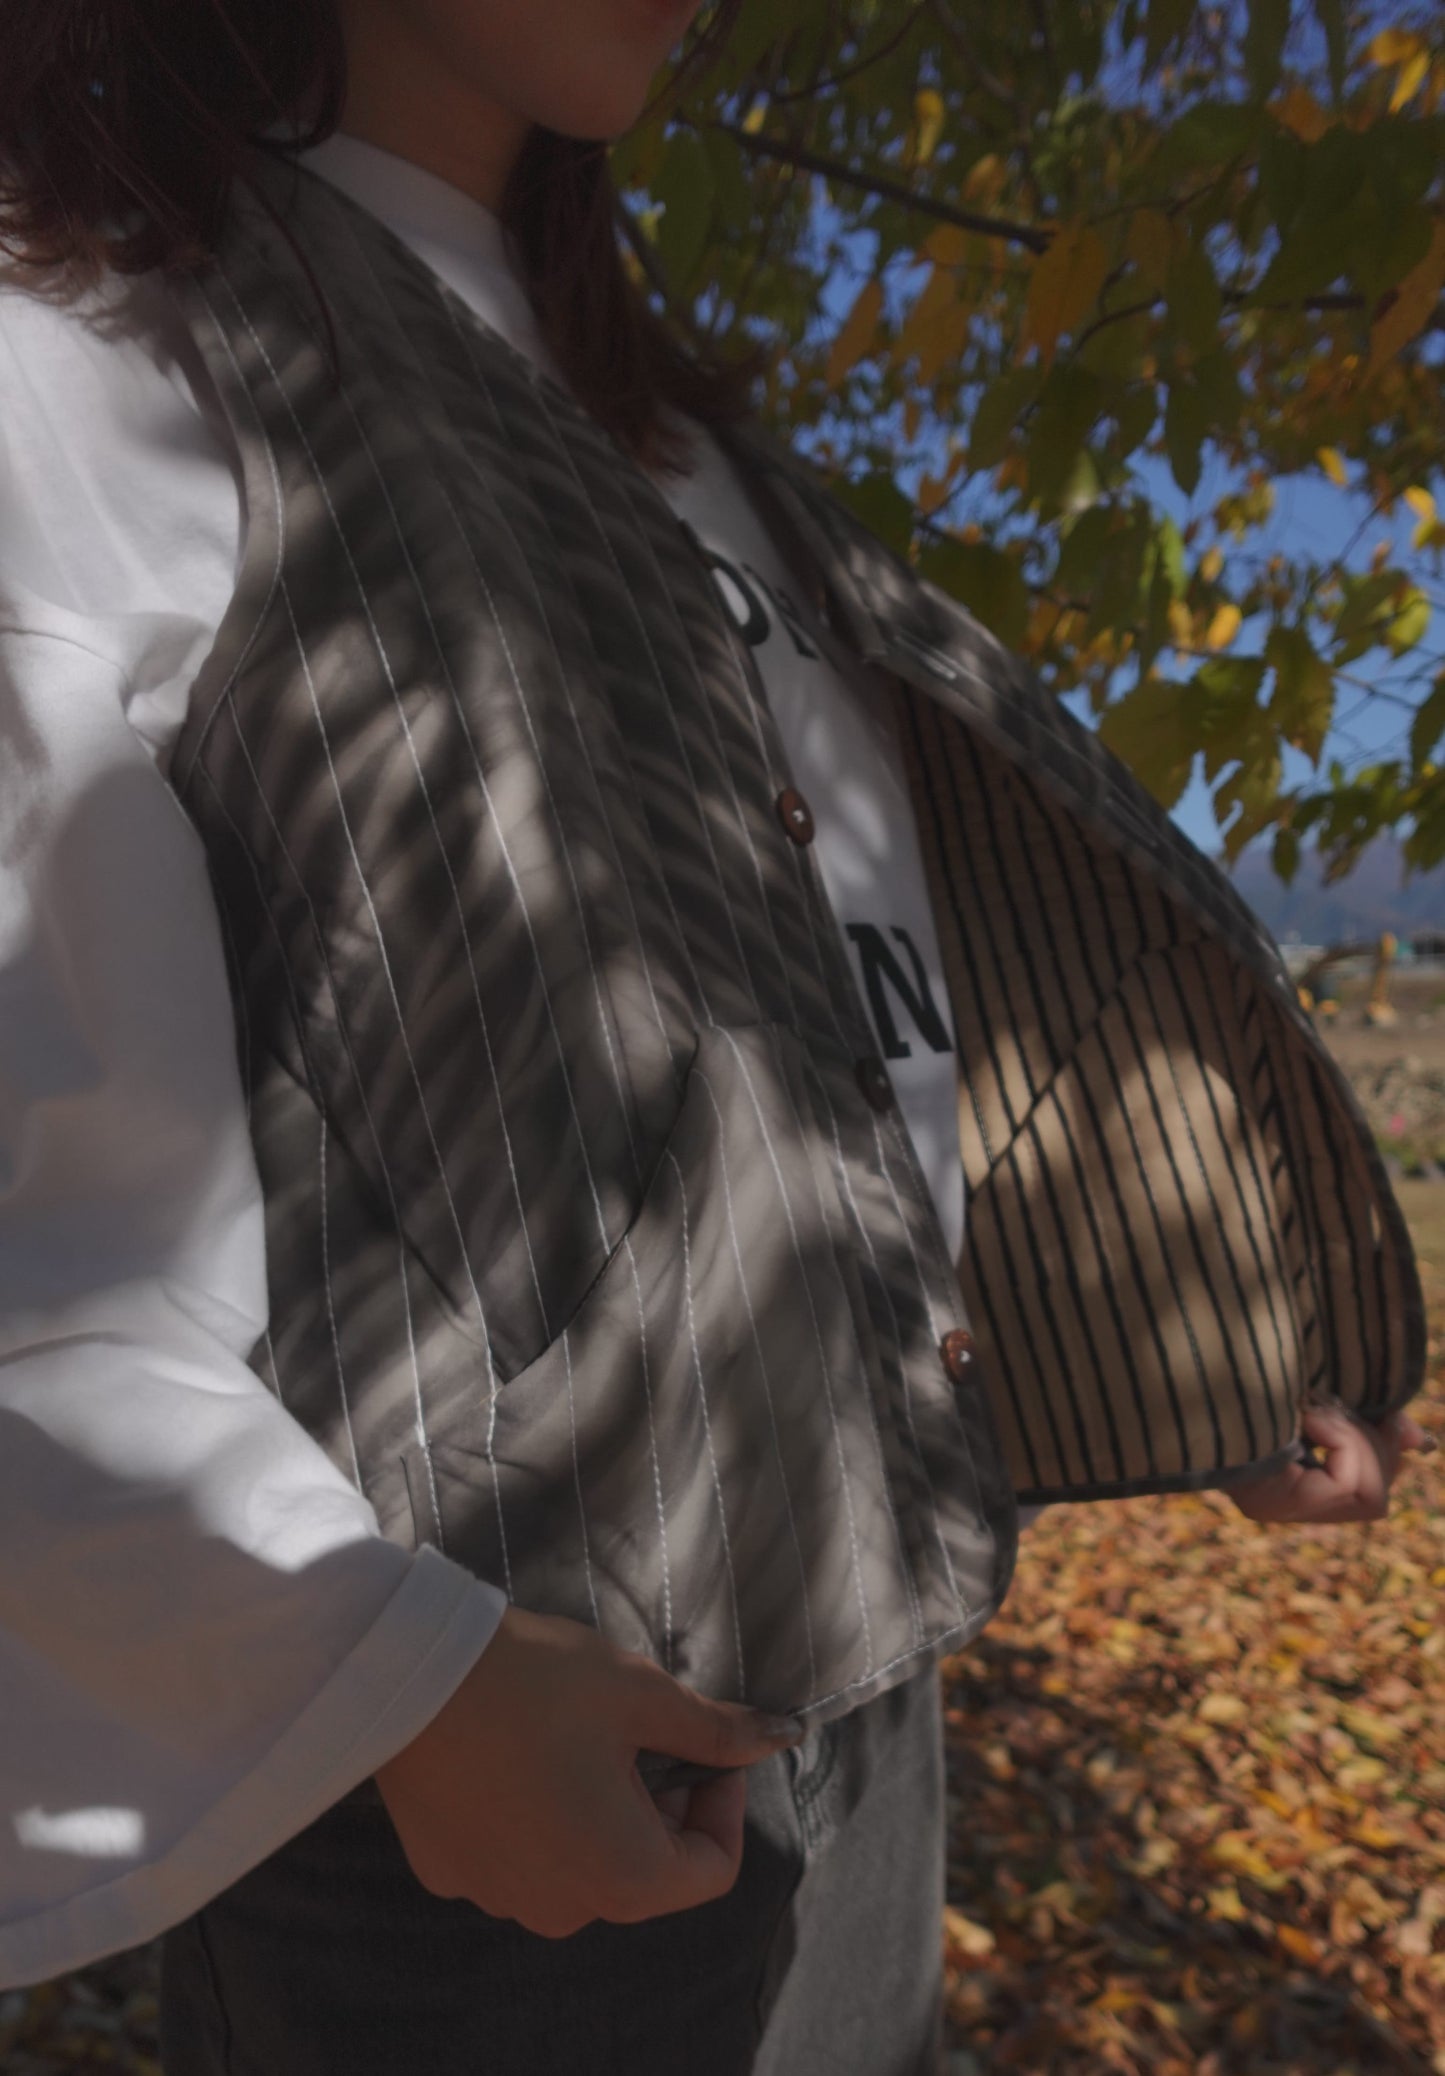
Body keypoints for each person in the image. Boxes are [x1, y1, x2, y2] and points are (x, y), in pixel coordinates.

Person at [0, 3, 1430, 2070]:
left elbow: (851, 1012)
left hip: (878, 1647)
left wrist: (1202, 1330)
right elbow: (46, 1221)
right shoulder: (98, 338)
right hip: (488, 1788)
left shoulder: (677, 428)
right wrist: (379, 1677)